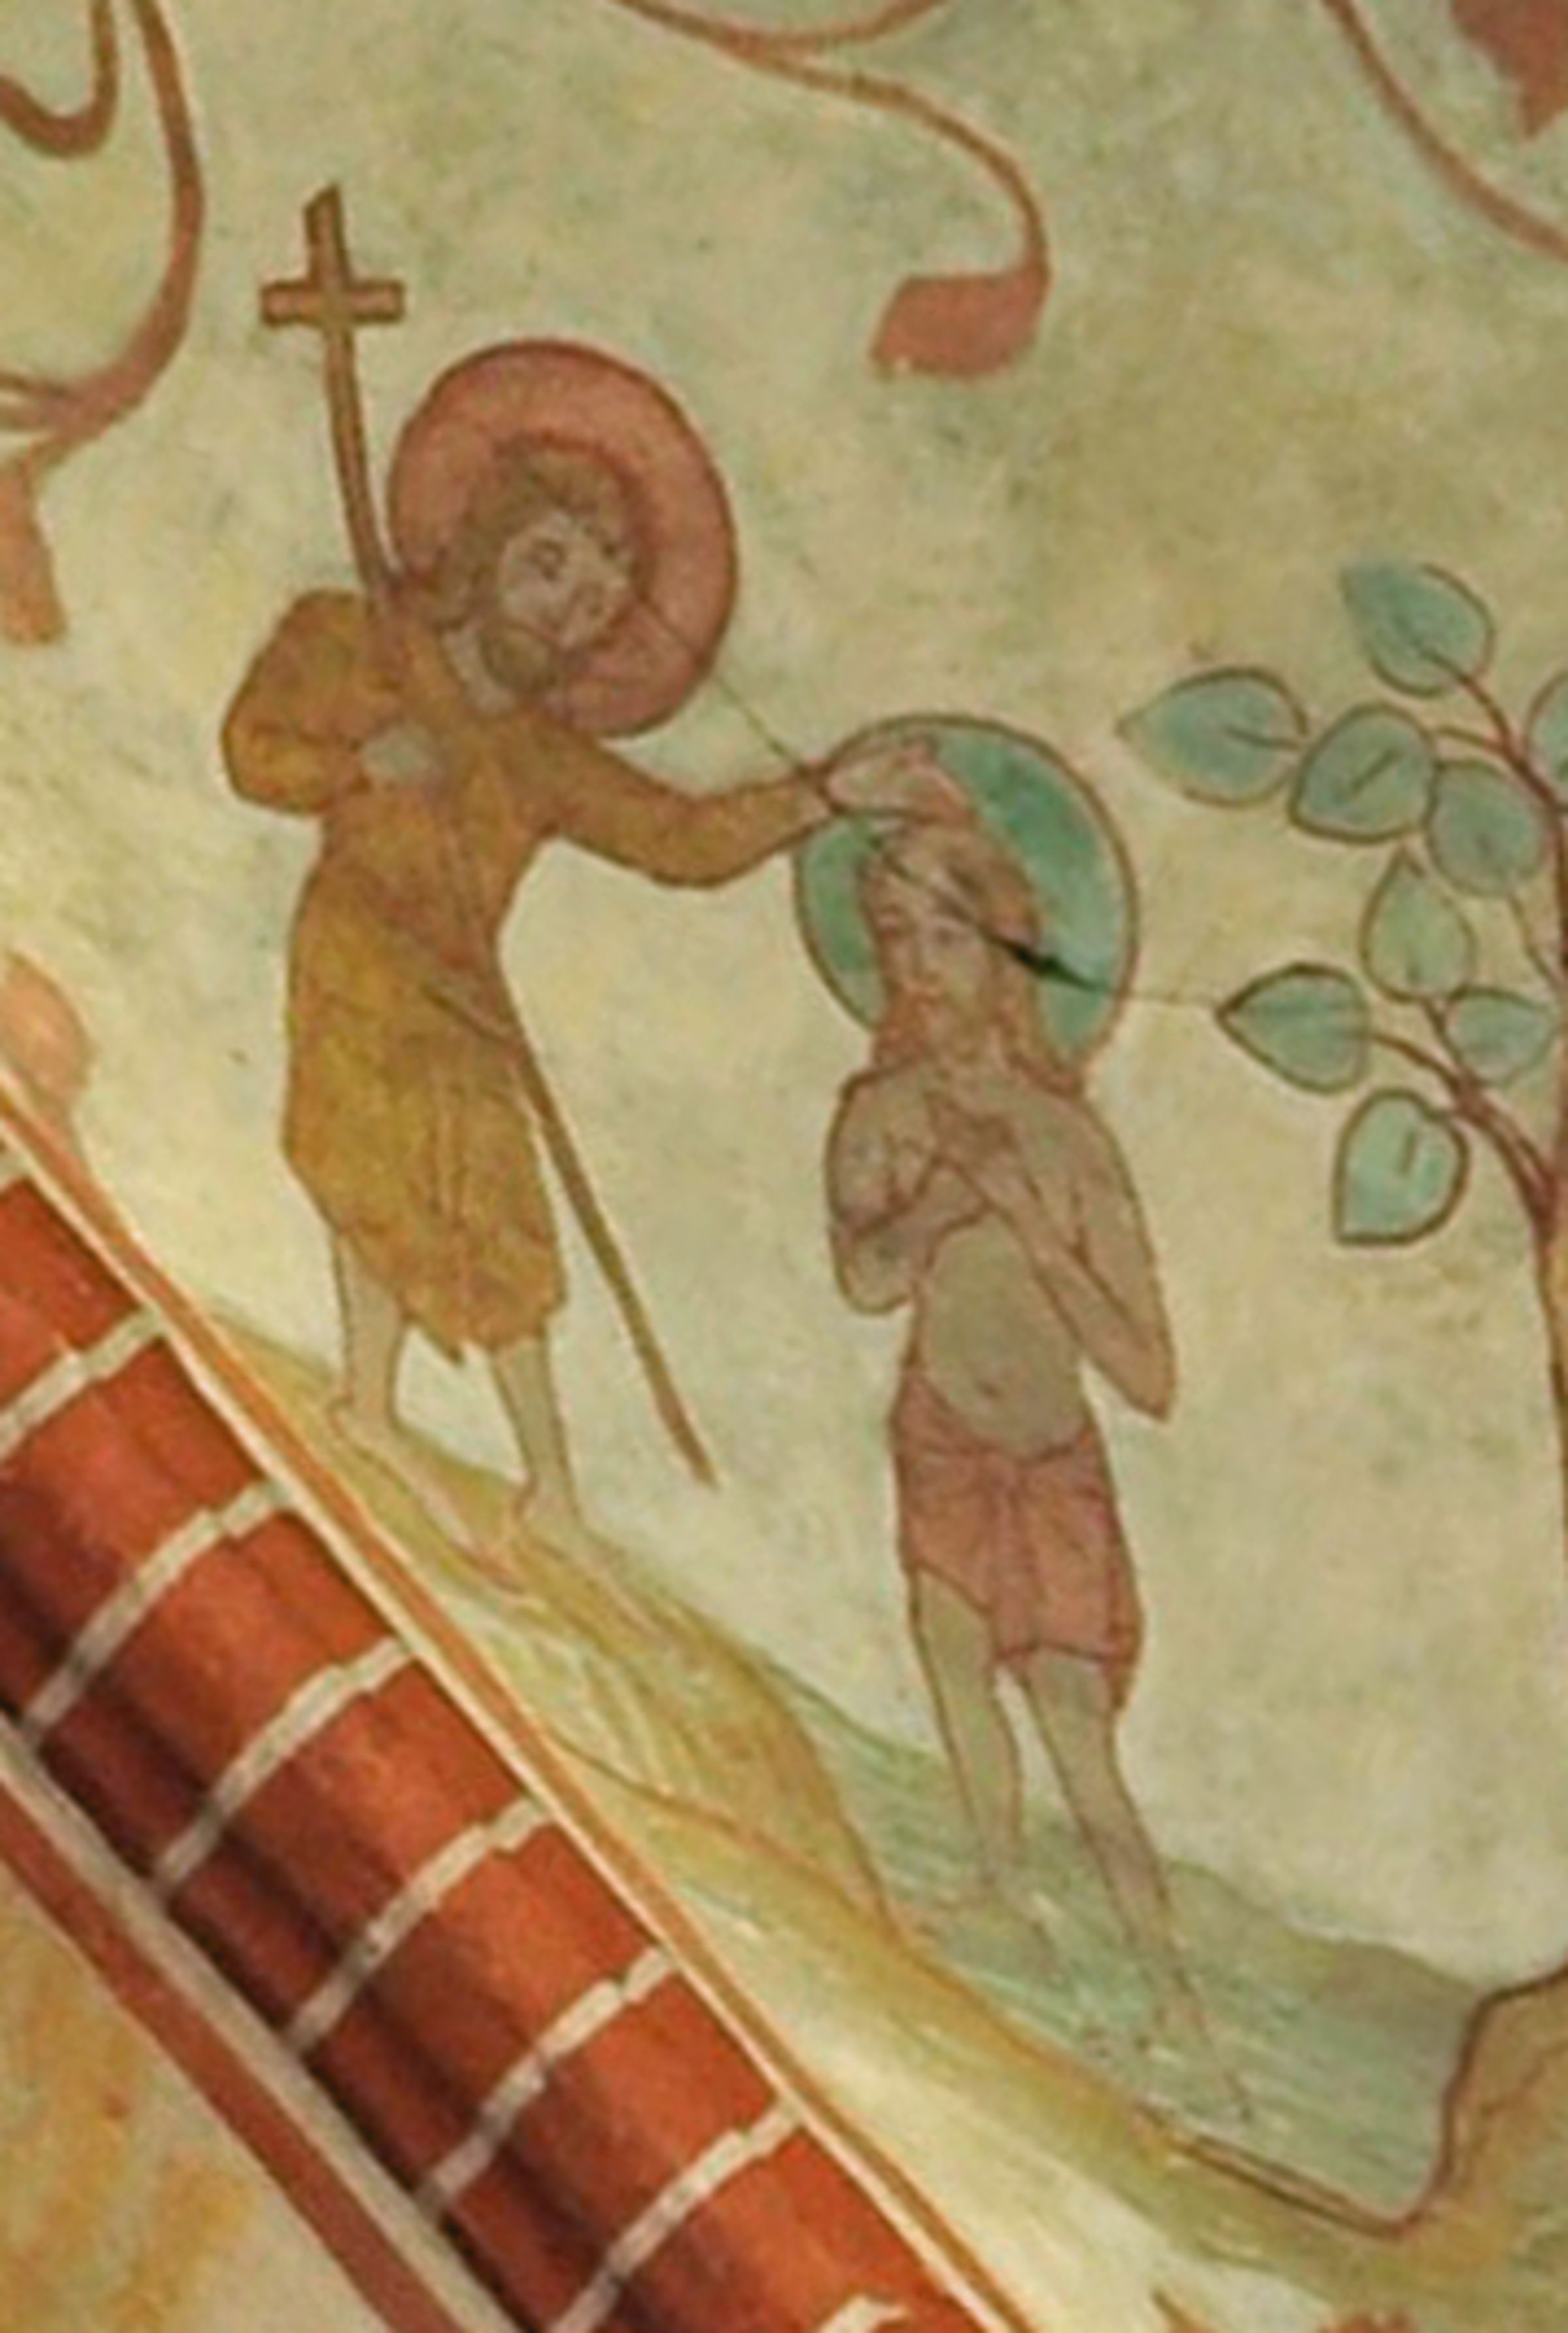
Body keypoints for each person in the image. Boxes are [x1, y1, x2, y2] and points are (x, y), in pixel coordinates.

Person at [224, 405, 938, 1580]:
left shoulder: (539, 755)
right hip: (357, 954)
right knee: (374, 1170)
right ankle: (371, 1402)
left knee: (501, 1213)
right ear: (483, 550)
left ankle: (552, 1485)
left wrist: (824, 795)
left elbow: (680, 838)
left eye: (600, 599)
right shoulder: (353, 640)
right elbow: (254, 749)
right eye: (548, 564)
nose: (568, 608)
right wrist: (359, 763)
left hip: (460, 990)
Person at [825, 789, 1210, 2051]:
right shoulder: (880, 1114)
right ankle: (998, 1892)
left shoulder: (1071, 1142)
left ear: (1008, 953)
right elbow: (864, 1278)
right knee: (953, 1664)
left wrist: (1039, 1233)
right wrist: (940, 1203)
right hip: (939, 1429)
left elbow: (1149, 1373)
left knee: (1074, 1729)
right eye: (894, 938)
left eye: (943, 936)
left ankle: (1169, 1990)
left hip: (1050, 1463)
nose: (916, 968)